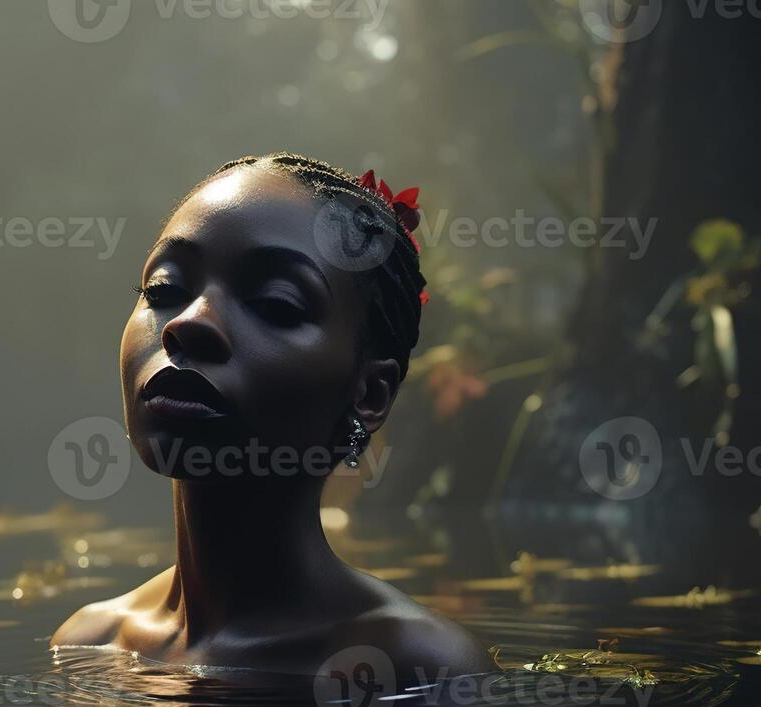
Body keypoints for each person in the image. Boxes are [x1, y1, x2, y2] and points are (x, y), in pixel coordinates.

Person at [53, 153, 489, 676]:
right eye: (164, 290)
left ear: (370, 393)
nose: (189, 323)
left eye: (277, 303)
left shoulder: (416, 667)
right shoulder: (88, 645)